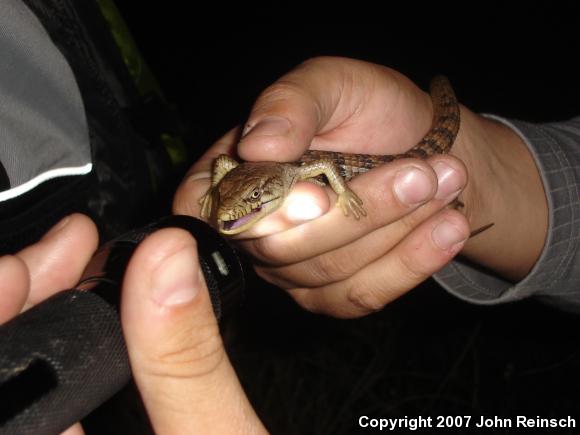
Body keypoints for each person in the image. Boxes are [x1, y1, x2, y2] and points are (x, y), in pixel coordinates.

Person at [2, 4, 579, 433]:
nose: (233, 218)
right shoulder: (248, 181)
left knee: (421, 152)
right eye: (232, 209)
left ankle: (444, 107)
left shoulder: (291, 177)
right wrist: (221, 195)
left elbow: (325, 171)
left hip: (364, 163)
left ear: (265, 194)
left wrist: (351, 193)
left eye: (242, 209)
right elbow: (229, 163)